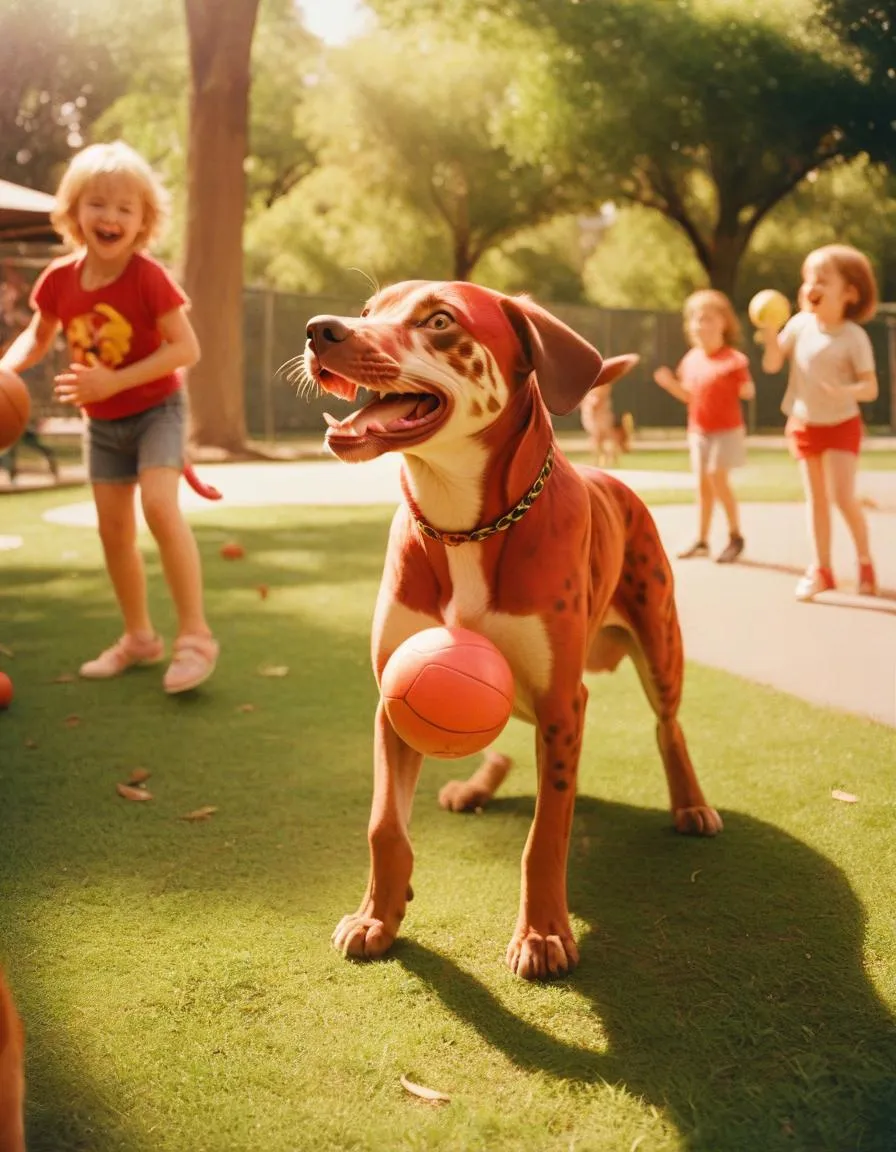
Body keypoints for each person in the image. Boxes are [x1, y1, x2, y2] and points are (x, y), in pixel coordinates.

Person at [0, 140, 218, 692]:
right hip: (103, 420)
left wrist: (114, 380)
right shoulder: (59, 280)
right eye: (98, 203)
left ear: (144, 221)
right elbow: (38, 334)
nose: (111, 216)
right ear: (74, 210)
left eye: (126, 207)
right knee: (113, 530)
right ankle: (139, 637)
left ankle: (195, 638)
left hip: (157, 410)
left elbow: (186, 349)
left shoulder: (148, 278)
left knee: (160, 507)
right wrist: (4, 370)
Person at [759, 244, 879, 600]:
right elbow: (771, 363)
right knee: (816, 499)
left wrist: (845, 389)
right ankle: (822, 569)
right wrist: (769, 334)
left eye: (822, 279)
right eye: (807, 278)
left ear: (850, 293)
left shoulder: (854, 337)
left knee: (842, 497)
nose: (811, 285)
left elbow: (870, 388)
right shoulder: (799, 325)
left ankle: (865, 559)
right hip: (804, 422)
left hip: (842, 423)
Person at [654, 289, 755, 564]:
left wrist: (745, 388)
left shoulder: (733, 359)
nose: (701, 324)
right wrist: (670, 385)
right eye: (696, 319)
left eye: (708, 318)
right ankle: (702, 539)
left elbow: (747, 390)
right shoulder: (691, 359)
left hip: (726, 430)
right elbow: (689, 395)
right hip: (698, 430)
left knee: (717, 477)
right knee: (702, 483)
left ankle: (735, 536)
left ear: (723, 322)